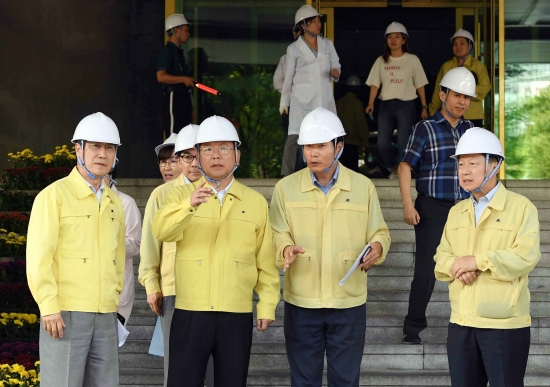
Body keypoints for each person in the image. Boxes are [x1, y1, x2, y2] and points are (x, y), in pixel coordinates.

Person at [152, 116, 280, 387]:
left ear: (237, 155)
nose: (217, 155)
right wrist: (189, 204)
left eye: (224, 148)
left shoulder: (255, 202)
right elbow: (162, 231)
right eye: (208, 149)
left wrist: (267, 303)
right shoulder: (177, 196)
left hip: (236, 312)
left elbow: (265, 261)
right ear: (197, 156)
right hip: (190, 310)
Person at [270, 108, 391, 386]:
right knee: (303, 381)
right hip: (302, 301)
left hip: (348, 301)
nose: (313, 154)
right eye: (308, 147)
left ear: (338, 147)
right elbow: (277, 231)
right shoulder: (286, 188)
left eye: (321, 146)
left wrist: (377, 247)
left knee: (346, 380)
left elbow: (380, 231)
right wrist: (285, 248)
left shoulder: (362, 186)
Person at [434, 128, 540, 386]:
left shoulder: (521, 207)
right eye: (461, 164)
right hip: (461, 322)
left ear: (495, 165)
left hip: (505, 325)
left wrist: (478, 261)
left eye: (473, 163)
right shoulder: (457, 211)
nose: (465, 171)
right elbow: (441, 256)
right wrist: (458, 265)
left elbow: (525, 257)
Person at [26, 112, 125, 387]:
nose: (102, 154)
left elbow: (117, 258)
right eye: (95, 146)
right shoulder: (53, 196)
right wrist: (48, 307)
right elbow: (38, 257)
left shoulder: (115, 202)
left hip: (105, 314)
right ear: (78, 149)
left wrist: (114, 297)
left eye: (109, 148)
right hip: (65, 314)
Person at [398, 67, 477, 344]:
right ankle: (413, 328)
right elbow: (405, 165)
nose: (462, 102)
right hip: (432, 208)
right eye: (457, 95)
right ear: (443, 94)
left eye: (467, 98)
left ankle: (472, 324)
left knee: (472, 267)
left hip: (467, 208)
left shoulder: (472, 130)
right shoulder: (425, 128)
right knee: (426, 270)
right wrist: (409, 205)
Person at [139, 124, 213, 387]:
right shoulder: (162, 194)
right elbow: (150, 243)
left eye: (198, 154)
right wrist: (151, 284)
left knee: (215, 370)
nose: (193, 164)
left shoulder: (221, 189)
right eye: (186, 156)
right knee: (178, 370)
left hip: (213, 292)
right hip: (174, 290)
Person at [280, 5, 341, 177]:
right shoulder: (293, 49)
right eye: (313, 21)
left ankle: (324, 173)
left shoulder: (327, 44)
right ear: (303, 25)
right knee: (295, 138)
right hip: (301, 101)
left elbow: (336, 62)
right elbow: (288, 78)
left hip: (323, 99)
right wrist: (284, 103)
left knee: (324, 138)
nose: (317, 24)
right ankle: (287, 175)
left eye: (318, 20)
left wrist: (336, 71)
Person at [365, 22, 429, 178]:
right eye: (390, 37)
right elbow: (375, 83)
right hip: (386, 105)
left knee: (403, 143)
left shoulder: (412, 60)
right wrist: (371, 102)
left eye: (397, 37)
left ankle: (403, 172)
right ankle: (393, 167)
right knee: (382, 143)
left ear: (404, 40)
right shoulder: (381, 61)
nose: (393, 40)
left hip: (406, 105)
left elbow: (420, 85)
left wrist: (424, 107)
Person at [429, 29, 491, 128]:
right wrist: (433, 111)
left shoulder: (478, 66)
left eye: (462, 43)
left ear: (470, 46)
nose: (458, 47)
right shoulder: (446, 66)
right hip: (449, 114)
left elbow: (485, 87)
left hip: (472, 115)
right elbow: (438, 90)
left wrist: (463, 91)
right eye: (455, 44)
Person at [103, 169, 142, 325]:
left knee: (111, 344)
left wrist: (107, 244)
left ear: (111, 178)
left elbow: (135, 244)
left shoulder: (125, 202)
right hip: (85, 288)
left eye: (103, 176)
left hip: (116, 286)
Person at [157, 14, 196, 138]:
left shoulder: (179, 53)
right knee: (173, 139)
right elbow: (161, 76)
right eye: (186, 30)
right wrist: (183, 79)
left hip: (183, 99)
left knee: (185, 138)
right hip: (173, 98)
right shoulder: (167, 51)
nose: (188, 34)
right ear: (175, 31)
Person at [273, 29, 302, 146]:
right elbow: (277, 82)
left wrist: (289, 94)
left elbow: (277, 82)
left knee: (291, 142)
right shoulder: (286, 58)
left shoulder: (286, 58)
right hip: (296, 106)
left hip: (291, 105)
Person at [336, 75, 369, 172]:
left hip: (339, 144)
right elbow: (361, 123)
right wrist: (366, 142)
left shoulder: (338, 103)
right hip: (352, 144)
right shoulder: (357, 103)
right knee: (352, 173)